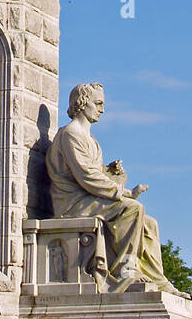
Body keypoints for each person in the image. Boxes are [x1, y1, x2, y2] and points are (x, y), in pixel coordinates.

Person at [46, 83, 181, 294]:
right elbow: (87, 176)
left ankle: (158, 280)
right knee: (133, 209)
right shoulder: (71, 134)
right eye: (98, 103)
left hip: (88, 200)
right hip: (72, 204)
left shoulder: (91, 139)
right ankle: (125, 272)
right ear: (82, 104)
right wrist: (125, 193)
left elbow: (95, 173)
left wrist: (112, 173)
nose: (102, 109)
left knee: (150, 224)